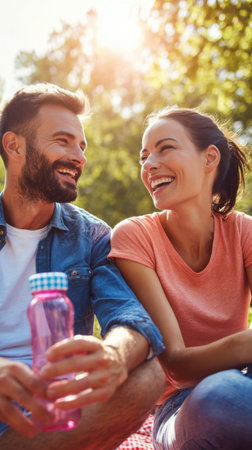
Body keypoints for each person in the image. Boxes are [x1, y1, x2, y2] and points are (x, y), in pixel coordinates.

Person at [0, 83, 165, 450]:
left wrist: (114, 355)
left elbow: (129, 317)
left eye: (81, 145)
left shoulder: (90, 235)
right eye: (63, 140)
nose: (79, 157)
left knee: (146, 375)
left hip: (55, 409)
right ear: (14, 146)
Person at [109, 107, 252, 449]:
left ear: (210, 158)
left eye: (165, 148)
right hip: (183, 405)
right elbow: (177, 366)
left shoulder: (243, 230)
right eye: (144, 156)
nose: (149, 164)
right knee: (219, 399)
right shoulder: (135, 236)